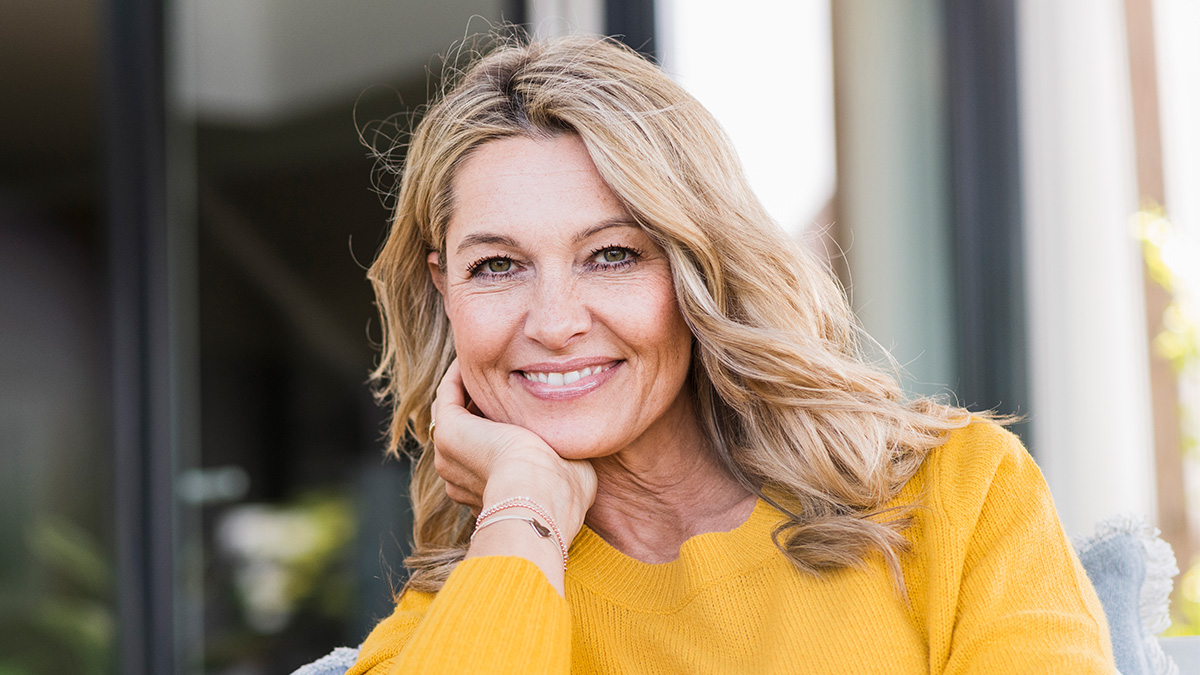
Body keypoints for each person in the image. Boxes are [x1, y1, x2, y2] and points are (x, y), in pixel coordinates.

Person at [348, 32, 1114, 674]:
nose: (553, 322)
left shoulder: (954, 494)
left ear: (700, 266)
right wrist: (523, 505)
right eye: (498, 265)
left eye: (612, 254)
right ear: (443, 287)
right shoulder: (461, 615)